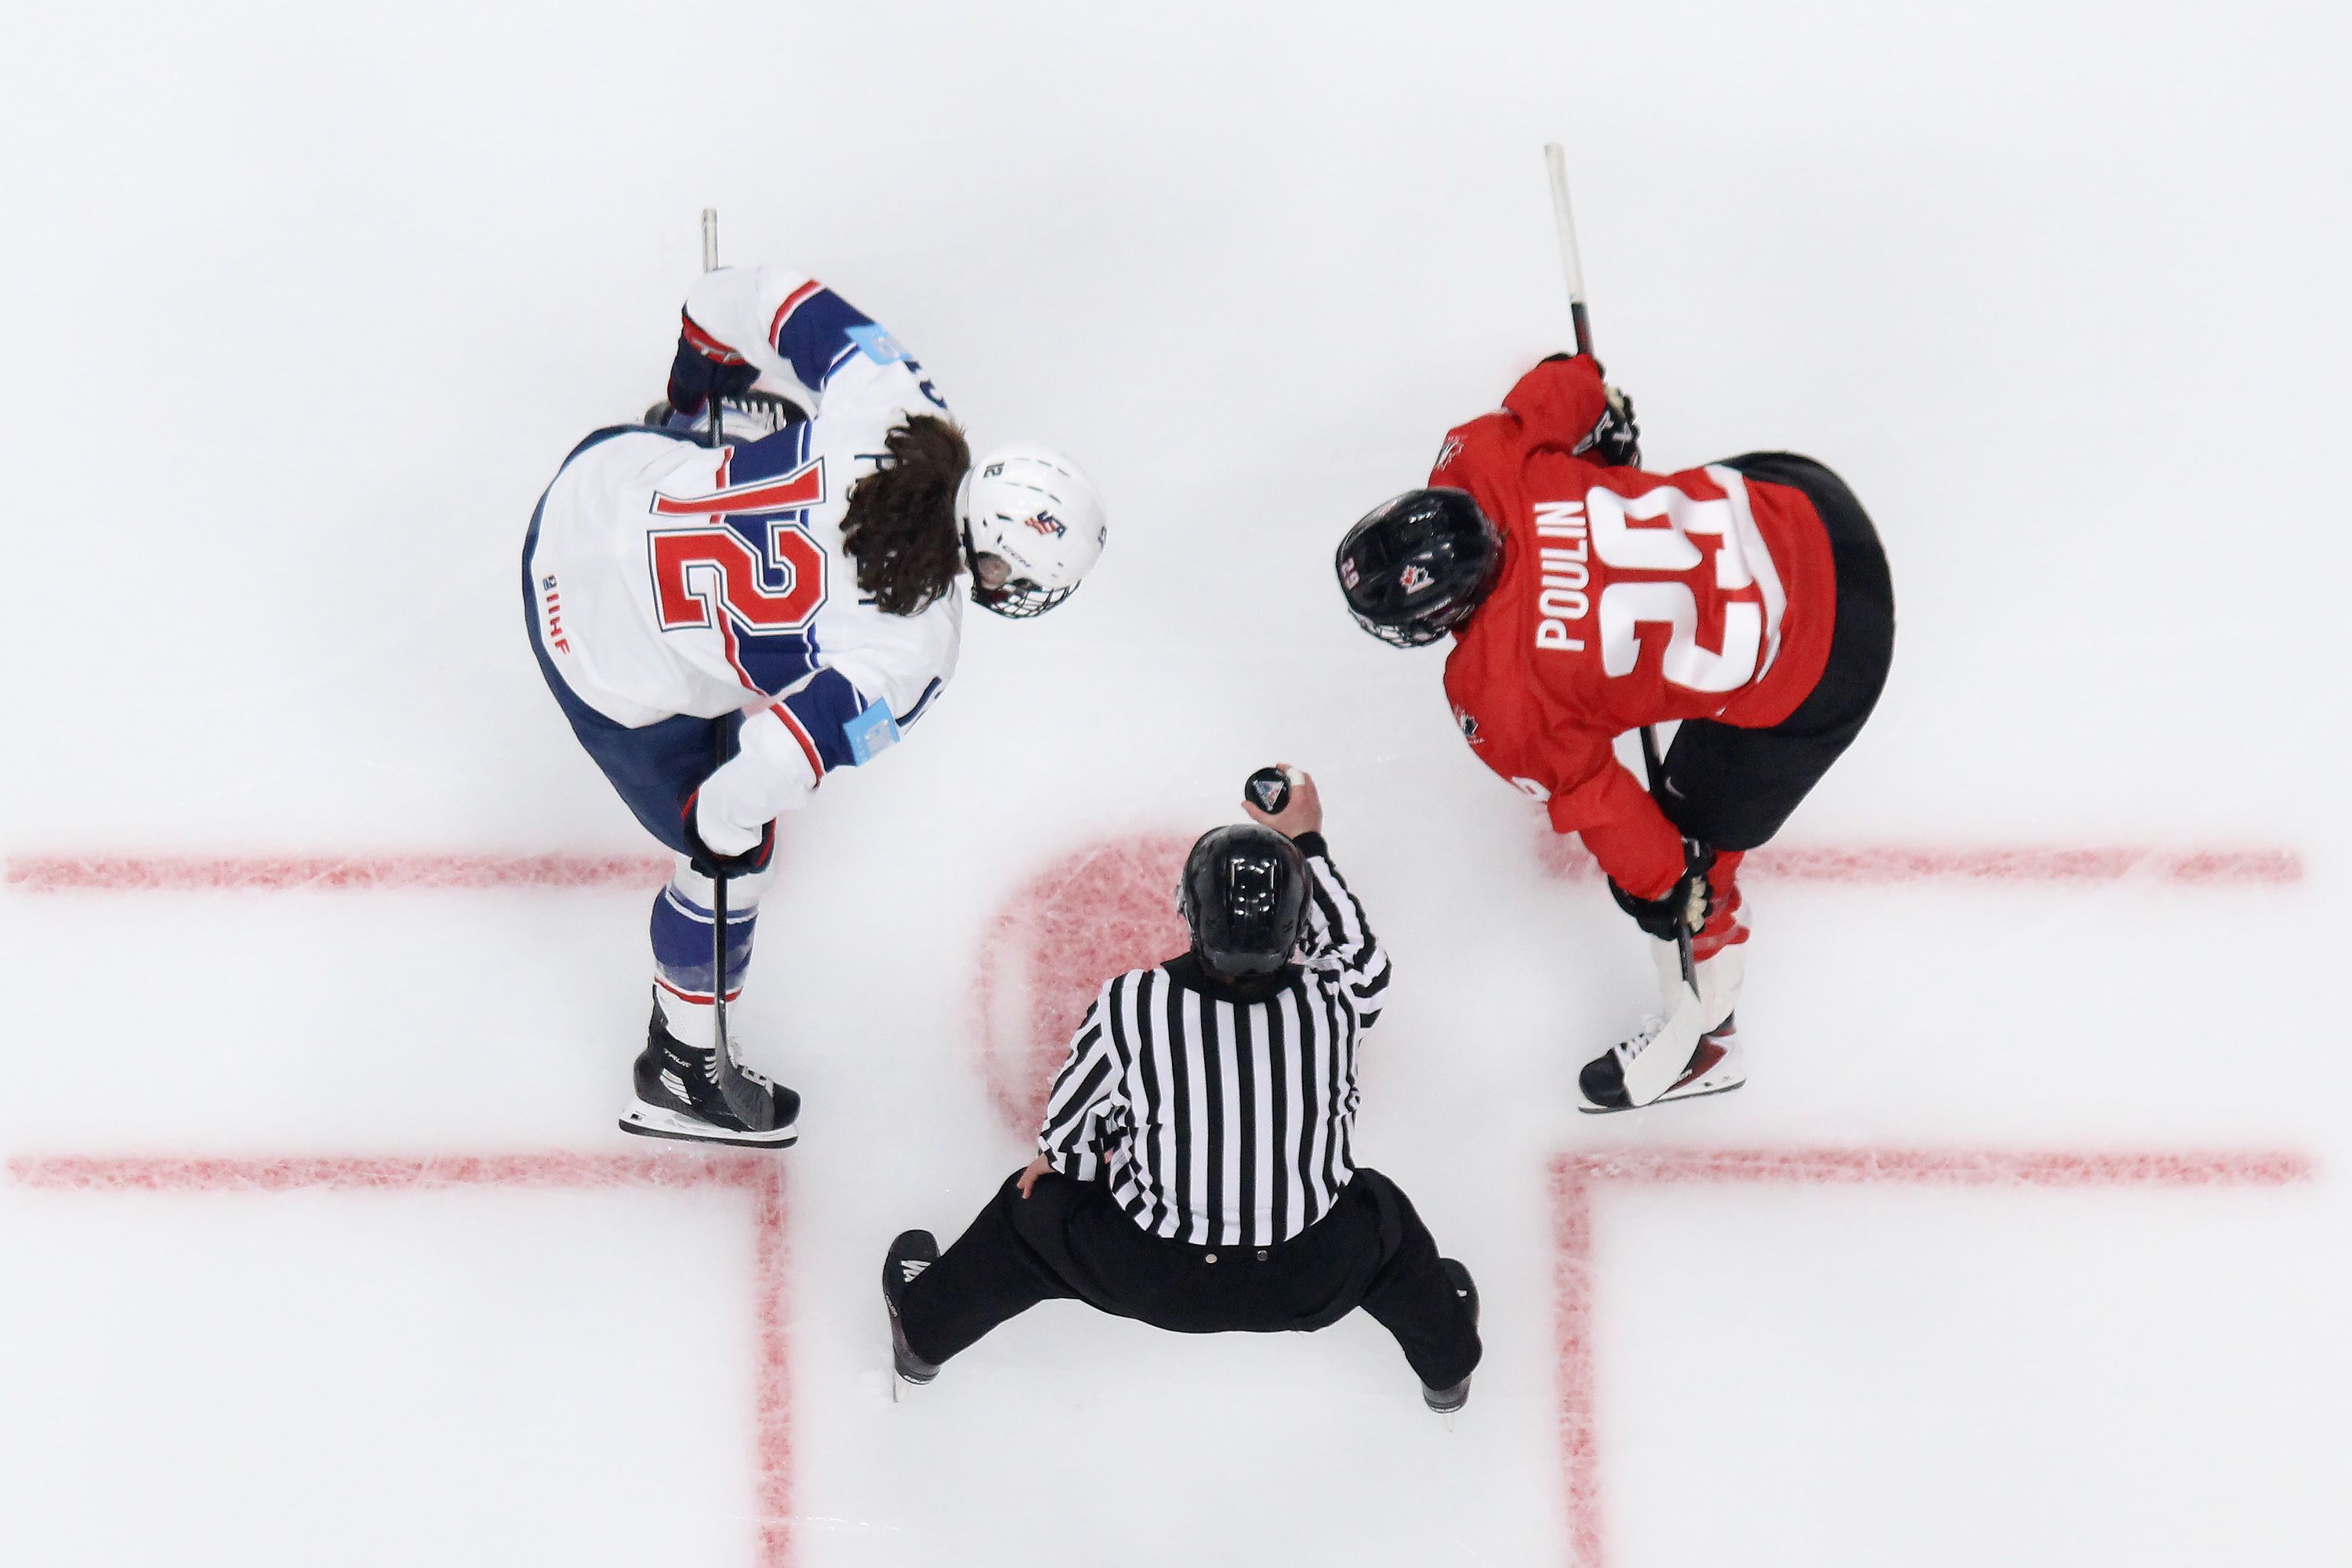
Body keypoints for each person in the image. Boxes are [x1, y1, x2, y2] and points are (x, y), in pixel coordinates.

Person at [524, 263, 1107, 1145]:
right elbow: (755, 779)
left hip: (594, 487)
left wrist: (696, 387)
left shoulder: (903, 401)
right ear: (991, 564)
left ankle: (711, 450)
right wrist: (717, 830)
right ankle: (680, 1063)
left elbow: (738, 296)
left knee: (789, 440)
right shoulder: (913, 650)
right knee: (737, 852)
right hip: (601, 661)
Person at [1333, 353, 1893, 1112]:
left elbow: (1603, 803)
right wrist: (1606, 427)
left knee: (1696, 851)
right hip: (1804, 503)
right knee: (1659, 499)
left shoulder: (1500, 698)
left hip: (1830, 653)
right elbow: (1571, 385)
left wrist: (1668, 889)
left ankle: (1710, 1037)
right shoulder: (1481, 454)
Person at [880, 768, 1483, 1413]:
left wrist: (1060, 1163)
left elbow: (1073, 1142)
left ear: (1189, 911)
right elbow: (1358, 954)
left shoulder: (1134, 1003)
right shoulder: (1338, 999)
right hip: (1309, 1277)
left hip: (1150, 1275)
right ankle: (1447, 1369)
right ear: (1297, 925)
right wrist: (1306, 841)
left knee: (1029, 1209)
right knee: (1384, 1218)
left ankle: (922, 1338)